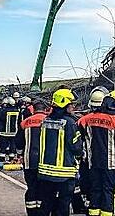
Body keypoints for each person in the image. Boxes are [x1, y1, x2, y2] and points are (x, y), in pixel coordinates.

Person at [78, 90, 115, 216]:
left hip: (93, 162)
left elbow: (79, 136)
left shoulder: (86, 119)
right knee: (108, 192)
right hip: (110, 164)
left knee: (95, 191)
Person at [38, 88, 83, 216]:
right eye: (71, 104)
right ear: (65, 104)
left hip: (45, 172)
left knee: (46, 203)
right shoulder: (69, 123)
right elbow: (76, 147)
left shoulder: (45, 121)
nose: (73, 107)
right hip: (64, 172)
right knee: (63, 205)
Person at [17, 100, 48, 216]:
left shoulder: (25, 122)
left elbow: (19, 143)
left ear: (33, 110)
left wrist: (20, 155)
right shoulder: (49, 121)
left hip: (29, 161)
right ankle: (41, 211)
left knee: (32, 187)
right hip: (45, 161)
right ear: (45, 109)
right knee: (43, 188)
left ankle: (31, 212)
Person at [0, 96, 21, 162]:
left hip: (5, 131)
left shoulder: (3, 111)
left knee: (3, 144)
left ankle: (2, 157)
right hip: (14, 131)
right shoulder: (17, 110)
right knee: (12, 144)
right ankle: (11, 157)